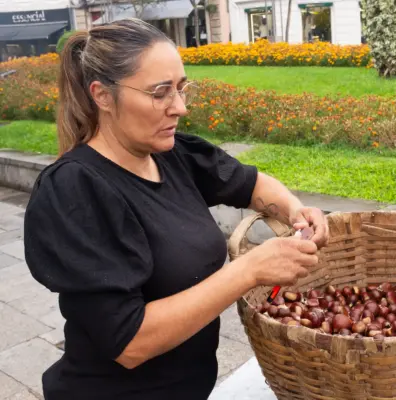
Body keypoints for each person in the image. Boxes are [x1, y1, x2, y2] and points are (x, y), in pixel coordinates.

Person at [23, 18, 329, 400]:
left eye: (182, 89)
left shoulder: (173, 153)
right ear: (102, 96)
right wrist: (249, 270)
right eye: (160, 92)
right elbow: (129, 343)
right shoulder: (75, 191)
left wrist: (295, 211)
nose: (180, 107)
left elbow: (251, 185)